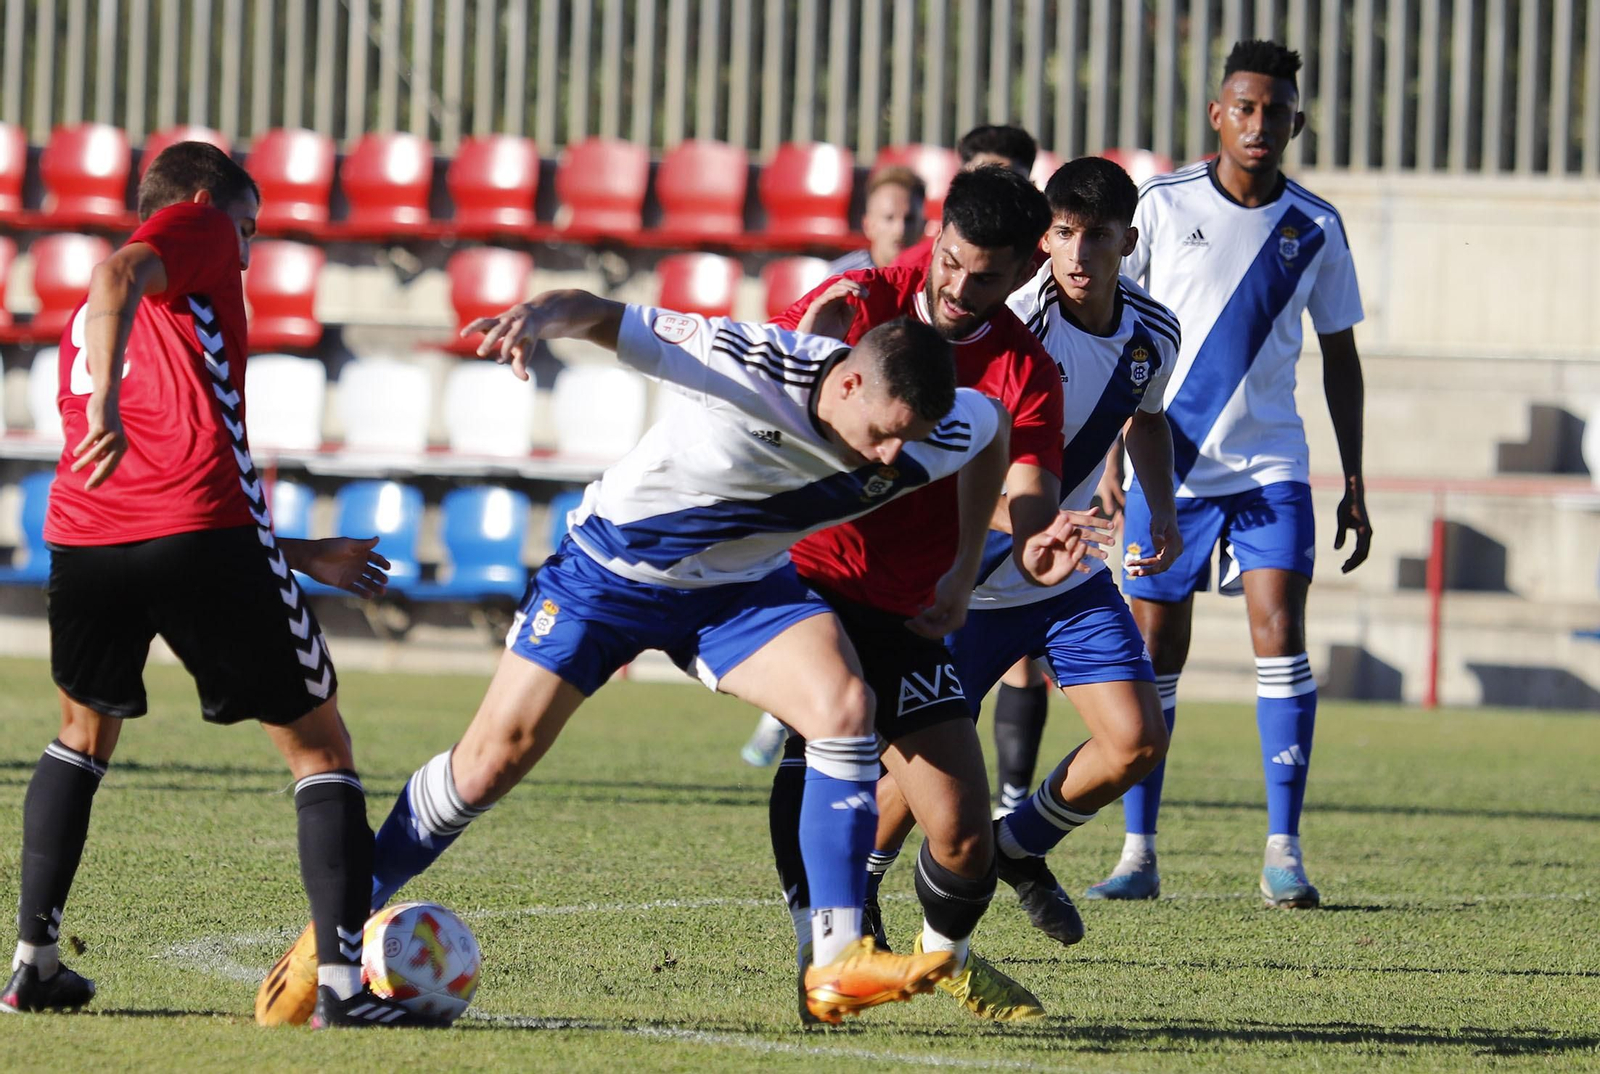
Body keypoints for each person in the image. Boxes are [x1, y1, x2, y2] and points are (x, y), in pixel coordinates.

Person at [258, 294, 1032, 1027]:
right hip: (610, 576)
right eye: (885, 432)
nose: (897, 455)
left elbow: (993, 431)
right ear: (850, 379)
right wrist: (538, 317)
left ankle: (835, 961)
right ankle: (340, 920)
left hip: (739, 590)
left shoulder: (931, 425)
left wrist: (962, 574)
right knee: (489, 765)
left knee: (844, 708)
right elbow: (601, 315)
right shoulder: (748, 363)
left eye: (912, 436)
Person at [2, 143, 408, 1027]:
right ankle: (341, 990)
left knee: (80, 735)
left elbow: (154, 446)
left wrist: (299, 553)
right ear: (200, 201)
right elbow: (118, 270)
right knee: (320, 749)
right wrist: (106, 398)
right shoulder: (194, 233)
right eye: (249, 228)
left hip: (85, 533)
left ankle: (33, 965)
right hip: (197, 527)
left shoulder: (103, 317)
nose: (249, 254)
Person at [760, 166, 1104, 1022]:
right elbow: (777, 367)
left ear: (1026, 271)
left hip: (910, 604)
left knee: (961, 834)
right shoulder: (859, 298)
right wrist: (811, 348)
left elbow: (1029, 482)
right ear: (937, 238)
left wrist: (1039, 533)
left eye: (986, 276)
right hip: (807, 577)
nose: (958, 287)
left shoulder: (1025, 369)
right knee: (827, 730)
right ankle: (826, 953)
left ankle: (941, 957)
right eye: (950, 260)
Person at [1088, 40, 1372, 908]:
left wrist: (1356, 480)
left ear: (1295, 120)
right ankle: (1138, 854)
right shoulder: (1163, 206)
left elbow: (1342, 358)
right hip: (1162, 463)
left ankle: (1283, 851)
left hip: (1269, 466)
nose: (1258, 123)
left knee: (1279, 629)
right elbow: (1113, 334)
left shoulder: (1316, 225)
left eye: (1274, 110)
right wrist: (1103, 458)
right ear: (1218, 113)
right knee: (1153, 651)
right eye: (1242, 107)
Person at [930, 156, 1184, 947]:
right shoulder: (1015, 328)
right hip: (973, 574)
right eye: (1063, 234)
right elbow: (956, 453)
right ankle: (852, 920)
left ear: (1128, 241)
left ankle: (1018, 845)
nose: (1077, 255)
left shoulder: (1156, 333)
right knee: (910, 786)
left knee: (1137, 740)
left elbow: (1144, 418)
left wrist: (1162, 511)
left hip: (1065, 572)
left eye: (1096, 236)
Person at [888, 126, 1039, 274]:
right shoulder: (909, 268)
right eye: (982, 181)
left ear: (1031, 188)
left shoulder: (1051, 270)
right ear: (960, 183)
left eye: (1009, 184)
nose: (995, 195)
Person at [825, 166, 927, 275]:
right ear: (868, 226)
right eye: (889, 218)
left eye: (910, 219)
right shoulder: (841, 277)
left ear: (923, 226)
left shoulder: (933, 282)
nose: (900, 229)